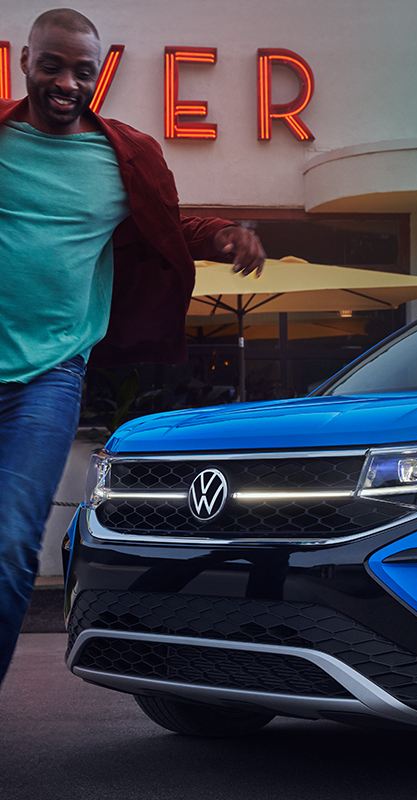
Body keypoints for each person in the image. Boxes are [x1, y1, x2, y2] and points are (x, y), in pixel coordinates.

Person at [0, 8, 265, 685]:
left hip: (49, 374)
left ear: (97, 75)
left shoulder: (123, 155)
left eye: (82, 71)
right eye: (53, 65)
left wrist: (222, 237)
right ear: (26, 61)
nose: (66, 82)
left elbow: (166, 221)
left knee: (9, 545)